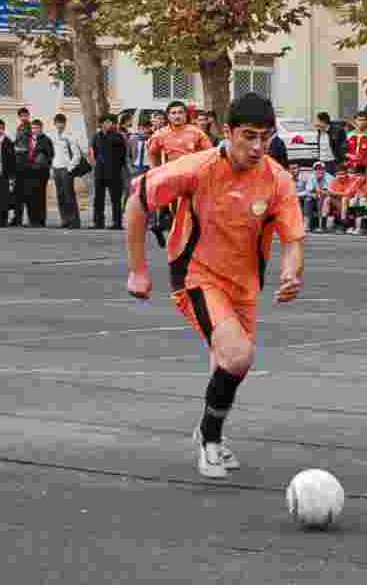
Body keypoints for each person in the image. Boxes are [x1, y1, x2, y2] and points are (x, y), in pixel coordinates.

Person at [125, 92, 306, 479]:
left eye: (266, 137)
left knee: (229, 365)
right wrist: (138, 269)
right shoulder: (197, 167)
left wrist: (292, 272)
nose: (258, 147)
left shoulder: (278, 179)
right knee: (238, 356)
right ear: (227, 132)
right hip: (196, 275)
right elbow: (137, 201)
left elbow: (293, 238)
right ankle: (209, 439)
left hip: (244, 286)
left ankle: (209, 432)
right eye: (249, 136)